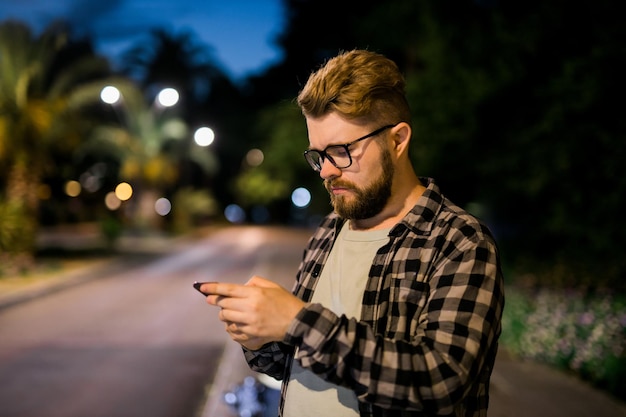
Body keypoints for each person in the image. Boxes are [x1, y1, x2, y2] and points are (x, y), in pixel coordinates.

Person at [197, 49, 505, 417]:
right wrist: (261, 336)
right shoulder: (330, 230)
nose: (327, 171)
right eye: (318, 156)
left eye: (341, 151)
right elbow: (294, 365)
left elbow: (440, 383)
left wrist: (297, 321)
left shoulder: (457, 241)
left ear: (398, 140)